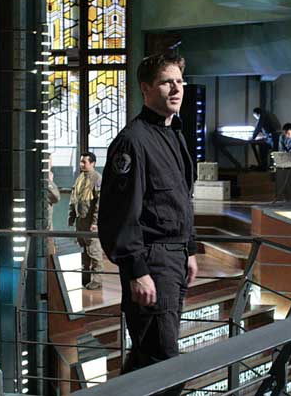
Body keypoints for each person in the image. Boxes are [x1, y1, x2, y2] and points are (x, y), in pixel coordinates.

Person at [98, 52, 198, 395]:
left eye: (180, 81)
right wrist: (137, 270)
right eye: (167, 82)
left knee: (147, 356)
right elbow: (118, 214)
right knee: (165, 363)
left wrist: (190, 249)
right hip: (153, 262)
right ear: (145, 88)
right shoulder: (133, 141)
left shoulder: (174, 134)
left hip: (174, 257)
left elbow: (180, 199)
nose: (177, 89)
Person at [68, 152, 104, 290]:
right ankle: (85, 278)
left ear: (92, 163)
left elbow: (99, 203)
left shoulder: (97, 178)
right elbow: (74, 198)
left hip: (90, 222)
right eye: (81, 161)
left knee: (94, 250)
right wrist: (71, 216)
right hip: (80, 221)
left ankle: (97, 279)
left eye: (84, 162)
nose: (81, 164)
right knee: (82, 250)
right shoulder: (80, 178)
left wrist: (95, 222)